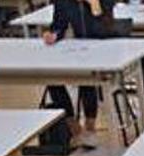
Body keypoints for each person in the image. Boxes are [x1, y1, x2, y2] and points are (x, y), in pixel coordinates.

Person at [43, 0, 117, 148]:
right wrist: (53, 35)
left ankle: (90, 128)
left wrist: (94, 5)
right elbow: (58, 25)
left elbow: (107, 24)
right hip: (75, 51)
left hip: (102, 48)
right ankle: (74, 127)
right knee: (51, 77)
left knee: (87, 77)